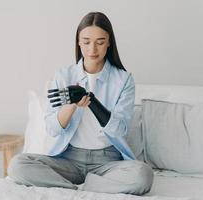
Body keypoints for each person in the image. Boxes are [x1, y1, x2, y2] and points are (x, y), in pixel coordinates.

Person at [8, 12, 153, 195]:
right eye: (86, 42)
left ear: (109, 42)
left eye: (100, 42)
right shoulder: (63, 76)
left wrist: (92, 101)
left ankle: (88, 185)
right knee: (17, 165)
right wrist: (71, 106)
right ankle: (74, 189)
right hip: (69, 160)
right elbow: (52, 129)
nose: (92, 49)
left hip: (108, 162)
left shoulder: (123, 80)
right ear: (78, 42)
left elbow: (119, 129)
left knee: (143, 175)